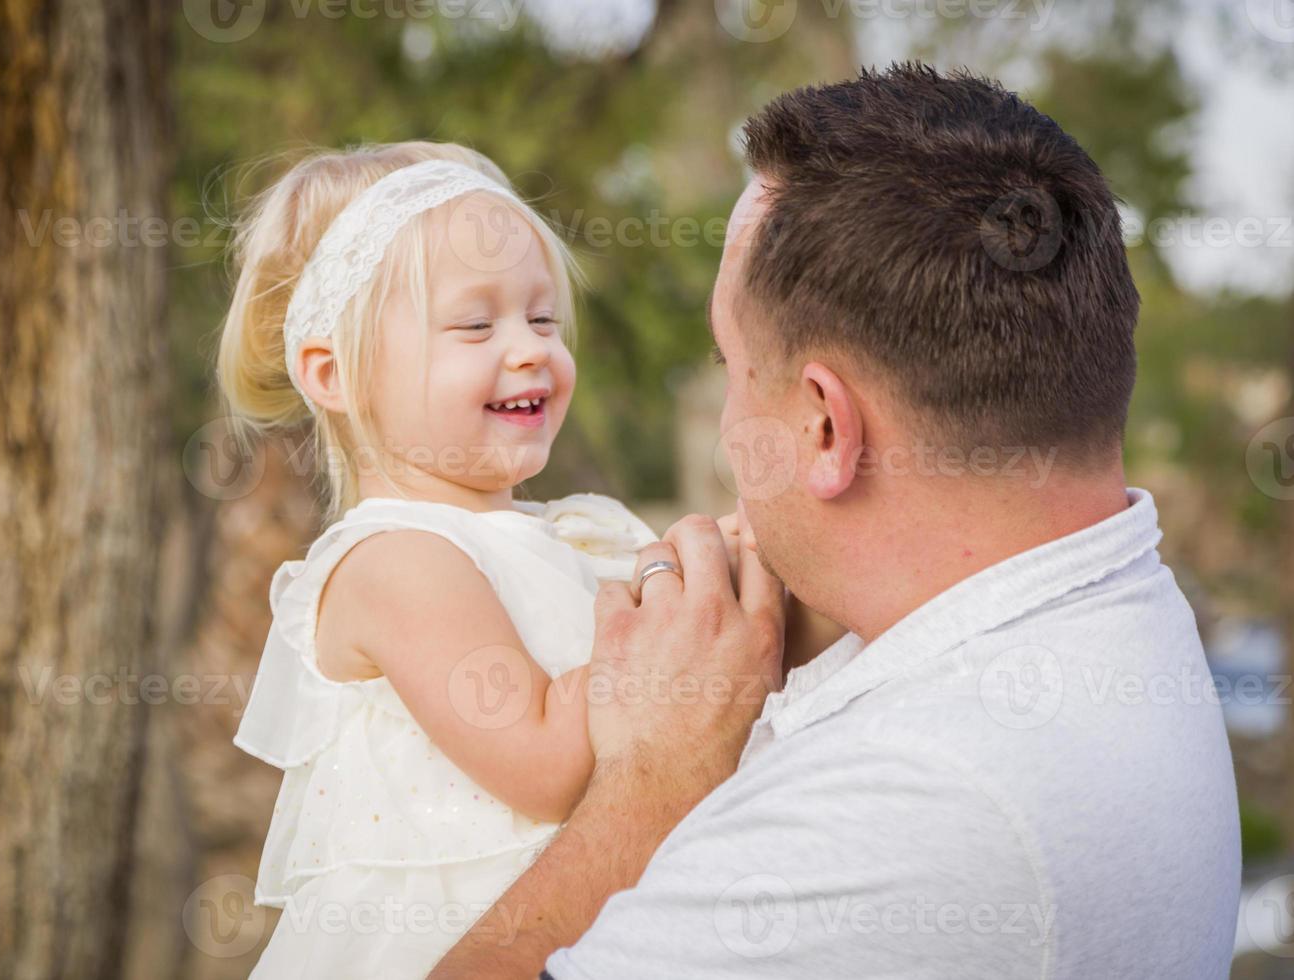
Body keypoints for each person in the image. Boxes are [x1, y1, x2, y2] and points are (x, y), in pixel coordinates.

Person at [431, 64, 1242, 979]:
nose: (732, 430)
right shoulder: (1110, 595)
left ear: (823, 426)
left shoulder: (901, 813)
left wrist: (656, 776)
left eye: (734, 367)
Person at [216, 141, 667, 977]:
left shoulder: (571, 534)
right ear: (334, 372)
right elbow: (546, 764)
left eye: (542, 318)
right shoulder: (397, 561)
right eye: (475, 324)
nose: (530, 349)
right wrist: (669, 609)